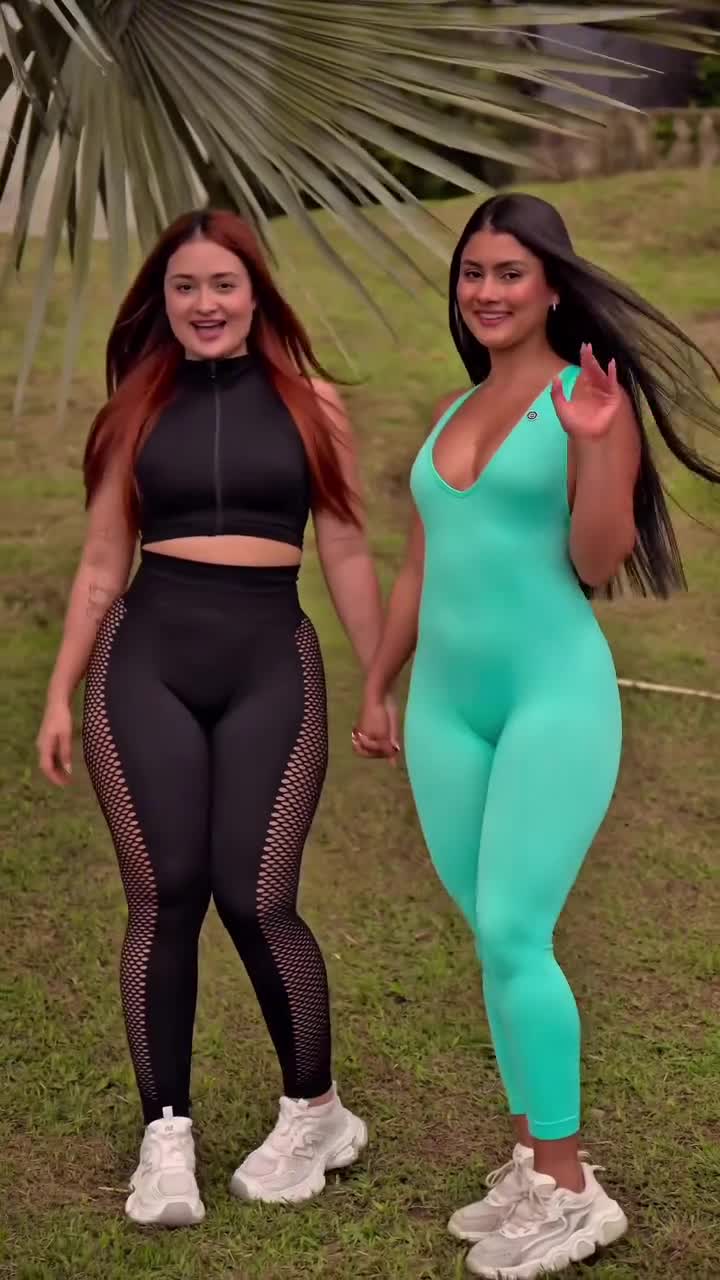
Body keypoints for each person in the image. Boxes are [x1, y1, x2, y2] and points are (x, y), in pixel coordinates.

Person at [352, 193, 720, 1278]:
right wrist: (378, 683)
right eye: (472, 271)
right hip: (445, 708)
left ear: (554, 284)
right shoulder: (452, 409)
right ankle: (530, 1155)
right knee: (494, 935)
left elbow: (597, 560)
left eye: (510, 271)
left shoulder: (585, 400)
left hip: (552, 697)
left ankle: (570, 1189)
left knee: (515, 926)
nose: (487, 290)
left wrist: (599, 448)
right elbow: (421, 564)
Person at [36, 209, 394, 1227]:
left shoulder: (313, 404)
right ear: (162, 300)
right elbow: (103, 561)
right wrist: (59, 689)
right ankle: (167, 1140)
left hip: (268, 660)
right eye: (185, 286)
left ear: (255, 292)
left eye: (223, 284)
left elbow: (346, 549)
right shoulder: (135, 408)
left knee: (257, 893)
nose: (205, 303)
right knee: (164, 896)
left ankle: (317, 1110)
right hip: (145, 659)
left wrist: (379, 681)